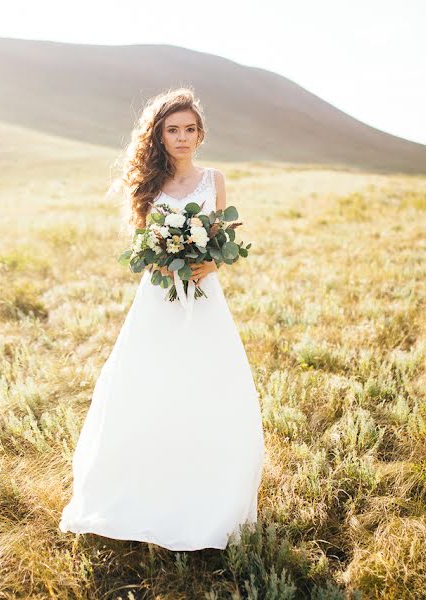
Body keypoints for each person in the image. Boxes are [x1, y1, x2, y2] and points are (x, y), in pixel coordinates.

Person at [58, 87, 266, 551]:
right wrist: (162, 258)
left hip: (205, 297)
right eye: (172, 129)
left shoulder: (215, 180)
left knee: (208, 385)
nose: (182, 137)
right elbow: (140, 245)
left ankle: (209, 497)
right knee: (147, 385)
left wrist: (210, 262)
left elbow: (225, 242)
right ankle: (140, 492)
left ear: (200, 133)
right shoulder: (148, 188)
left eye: (189, 129)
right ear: (159, 135)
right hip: (157, 300)